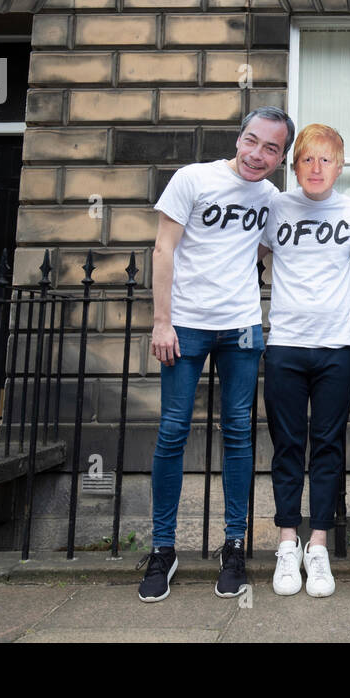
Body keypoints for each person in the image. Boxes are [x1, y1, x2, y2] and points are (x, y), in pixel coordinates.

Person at [137, 106, 293, 604]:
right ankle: (164, 548)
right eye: (253, 141)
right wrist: (162, 321)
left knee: (240, 432)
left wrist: (242, 268)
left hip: (242, 327)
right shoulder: (193, 179)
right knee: (173, 429)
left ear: (282, 156)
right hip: (185, 324)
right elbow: (163, 249)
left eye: (272, 148)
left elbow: (265, 247)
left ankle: (234, 545)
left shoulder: (270, 197)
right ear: (239, 138)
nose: (258, 154)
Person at [260, 124, 350, 599]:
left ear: (340, 167)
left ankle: (317, 545)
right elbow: (245, 255)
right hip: (284, 345)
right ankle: (287, 543)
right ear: (293, 164)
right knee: (286, 446)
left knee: (327, 446)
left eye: (325, 160)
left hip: (339, 345)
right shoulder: (275, 207)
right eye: (306, 159)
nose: (316, 168)